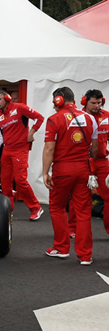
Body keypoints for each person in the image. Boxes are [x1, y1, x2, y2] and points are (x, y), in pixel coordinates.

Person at [42, 87, 97, 265]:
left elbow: (49, 148)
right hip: (84, 169)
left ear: (59, 100)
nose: (53, 104)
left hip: (63, 169)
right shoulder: (90, 118)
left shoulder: (54, 119)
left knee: (57, 208)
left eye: (54, 100)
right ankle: (85, 255)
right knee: (83, 211)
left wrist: (45, 172)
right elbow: (95, 148)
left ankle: (62, 248)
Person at [0, 90, 45, 220]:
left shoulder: (19, 108)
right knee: (5, 181)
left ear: (7, 98)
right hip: (7, 150)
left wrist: (31, 132)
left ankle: (36, 207)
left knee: (20, 180)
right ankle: (9, 209)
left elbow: (39, 118)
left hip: (20, 149)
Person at [80, 89, 109, 234]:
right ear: (85, 102)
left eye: (99, 103)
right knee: (79, 198)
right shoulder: (78, 117)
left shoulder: (107, 116)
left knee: (108, 195)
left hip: (102, 161)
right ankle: (73, 229)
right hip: (82, 162)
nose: (97, 106)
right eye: (93, 103)